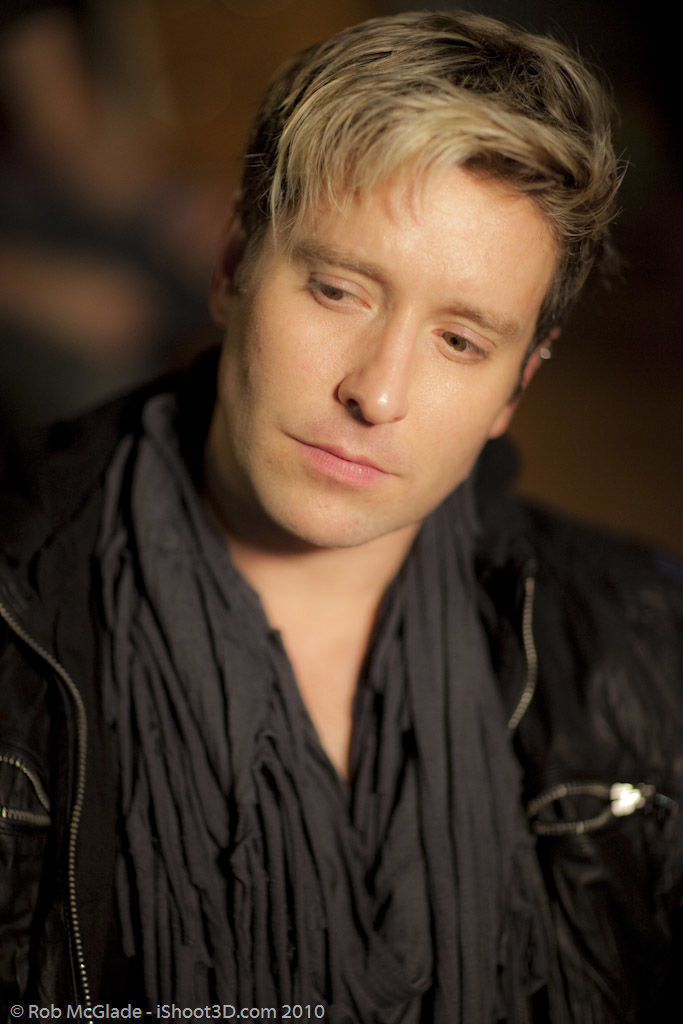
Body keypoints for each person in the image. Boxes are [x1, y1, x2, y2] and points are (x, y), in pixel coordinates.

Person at [1, 9, 682, 1023]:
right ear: (232, 269)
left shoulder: (649, 649)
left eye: (459, 340)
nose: (377, 391)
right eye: (336, 290)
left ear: (516, 387)